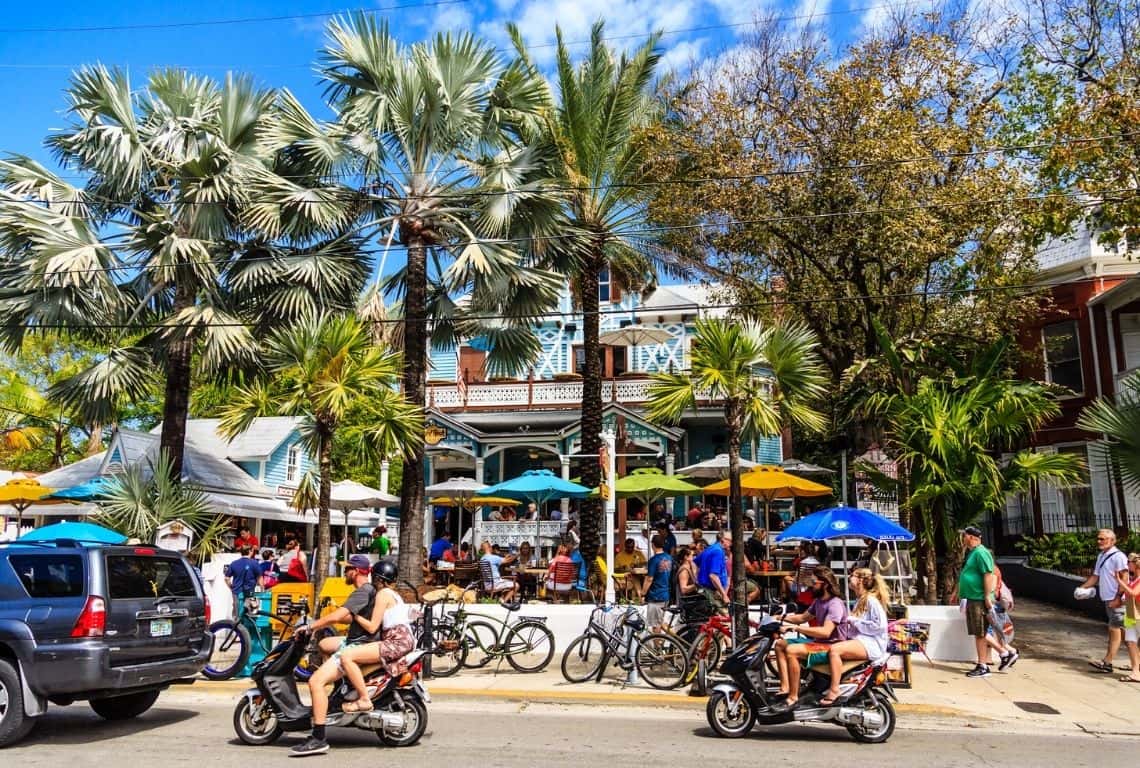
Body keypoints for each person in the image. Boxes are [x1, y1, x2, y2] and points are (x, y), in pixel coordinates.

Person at [290, 554, 378, 757]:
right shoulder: (368, 591)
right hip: (357, 640)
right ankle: (341, 687)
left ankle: (318, 738)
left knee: (315, 683)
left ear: (355, 571)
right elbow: (349, 617)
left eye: (347, 569)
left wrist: (312, 626)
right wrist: (330, 616)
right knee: (324, 644)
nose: (345, 573)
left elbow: (340, 617)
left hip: (356, 645)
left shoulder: (361, 592)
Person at [336, 560, 416, 714]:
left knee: (347, 657)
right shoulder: (395, 595)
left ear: (379, 579)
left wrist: (355, 615)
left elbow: (372, 626)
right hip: (405, 639)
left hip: (396, 641)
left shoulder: (382, 594)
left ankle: (364, 699)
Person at [773, 566, 849, 708]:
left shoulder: (835, 604)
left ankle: (793, 697)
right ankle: (785, 688)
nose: (811, 586)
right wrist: (779, 617)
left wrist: (796, 628)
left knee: (792, 651)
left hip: (830, 645)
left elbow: (826, 632)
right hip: (818, 642)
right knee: (780, 644)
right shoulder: (819, 601)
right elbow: (803, 617)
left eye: (814, 583)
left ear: (824, 584)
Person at [819, 568, 890, 705]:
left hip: (871, 644)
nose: (849, 577)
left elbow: (879, 626)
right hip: (862, 641)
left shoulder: (871, 600)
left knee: (835, 651)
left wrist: (854, 621)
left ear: (860, 581)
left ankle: (834, 690)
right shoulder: (860, 600)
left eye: (852, 575)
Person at [1079, 529, 1129, 674]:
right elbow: (1095, 577)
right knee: (1127, 634)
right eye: (1099, 539)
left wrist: (1118, 598)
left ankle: (1107, 662)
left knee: (1114, 630)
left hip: (1117, 601)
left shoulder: (1118, 556)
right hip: (1108, 599)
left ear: (1112, 541)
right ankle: (1136, 662)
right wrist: (1081, 588)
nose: (1099, 541)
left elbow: (1124, 578)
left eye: (1103, 539)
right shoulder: (1102, 556)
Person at [955, 525, 998, 678]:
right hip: (973, 598)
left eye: (965, 536)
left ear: (972, 537)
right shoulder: (973, 553)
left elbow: (988, 575)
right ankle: (985, 662)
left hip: (979, 598)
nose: (963, 538)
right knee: (978, 632)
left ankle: (984, 664)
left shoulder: (981, 553)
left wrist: (987, 596)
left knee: (980, 632)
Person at [1114, 553, 1140, 684]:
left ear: (1135, 564)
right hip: (1131, 613)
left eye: (1129, 562)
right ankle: (1136, 672)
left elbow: (1134, 593)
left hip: (1138, 615)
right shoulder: (1134, 579)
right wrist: (1121, 603)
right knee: (1130, 641)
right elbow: (1131, 597)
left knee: (1133, 641)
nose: (1127, 565)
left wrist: (1120, 582)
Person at [642, 534, 673, 628]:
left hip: (656, 596)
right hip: (666, 594)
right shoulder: (669, 558)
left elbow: (649, 579)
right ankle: (673, 640)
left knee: (655, 626)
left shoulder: (654, 560)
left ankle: (662, 642)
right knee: (660, 623)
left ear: (653, 545)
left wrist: (643, 593)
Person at [696, 530, 731, 609]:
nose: (731, 543)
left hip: (707, 590)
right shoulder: (718, 551)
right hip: (711, 591)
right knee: (724, 617)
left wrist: (696, 579)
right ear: (723, 540)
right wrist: (724, 595)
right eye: (730, 541)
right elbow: (713, 576)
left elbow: (695, 562)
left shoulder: (710, 548)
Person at [225, 545, 263, 618]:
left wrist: (231, 587)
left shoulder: (234, 563)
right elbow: (260, 577)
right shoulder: (254, 563)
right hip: (250, 591)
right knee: (250, 612)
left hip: (236, 591)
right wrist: (262, 589)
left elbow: (227, 578)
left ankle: (236, 626)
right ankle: (247, 627)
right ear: (250, 551)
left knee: (237, 611)